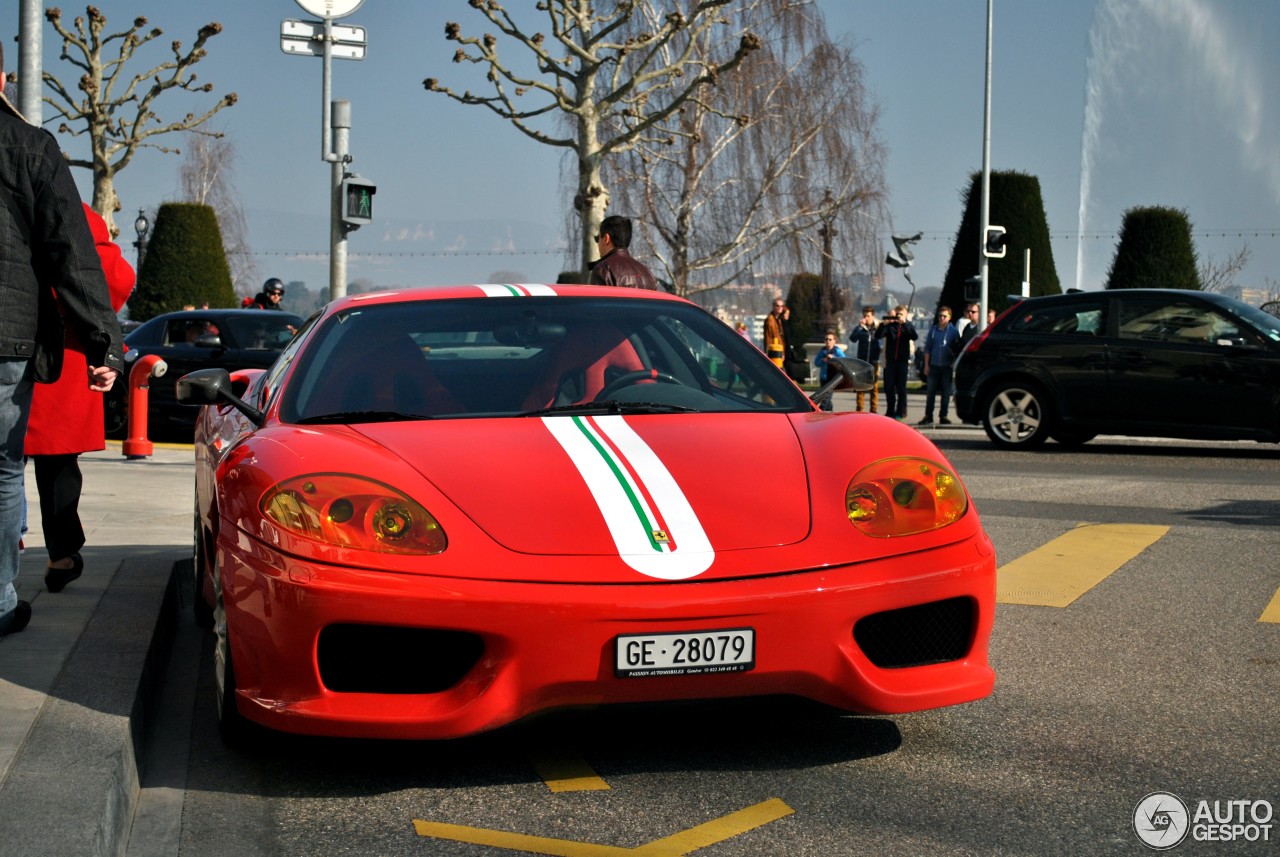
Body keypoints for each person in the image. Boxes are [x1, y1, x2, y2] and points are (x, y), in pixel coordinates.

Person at [0, 51, 124, 637]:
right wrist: (105, 342)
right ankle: (14, 588)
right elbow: (85, 263)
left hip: (29, 342)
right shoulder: (32, 150)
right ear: (3, 78)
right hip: (24, 343)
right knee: (11, 471)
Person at [24, 204, 134, 593]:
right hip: (63, 354)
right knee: (58, 464)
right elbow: (114, 278)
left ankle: (11, 541)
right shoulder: (74, 210)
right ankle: (61, 555)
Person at [588, 215, 658, 290]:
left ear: (606, 239)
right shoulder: (648, 274)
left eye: (597, 239)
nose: (597, 243)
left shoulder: (603, 270)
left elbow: (597, 301)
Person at [918, 305, 961, 426]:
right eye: (940, 316)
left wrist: (953, 363)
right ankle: (928, 415)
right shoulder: (933, 330)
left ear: (949, 317)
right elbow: (928, 349)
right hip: (934, 365)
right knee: (930, 392)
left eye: (944, 316)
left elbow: (957, 348)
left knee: (946, 393)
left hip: (947, 366)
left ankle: (943, 415)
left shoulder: (953, 331)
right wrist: (926, 365)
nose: (942, 318)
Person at [876, 305, 917, 421]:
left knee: (901, 388)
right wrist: (883, 325)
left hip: (902, 361)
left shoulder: (907, 327)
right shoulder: (890, 327)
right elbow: (878, 335)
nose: (899, 317)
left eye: (901, 314)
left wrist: (905, 324)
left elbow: (914, 336)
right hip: (891, 361)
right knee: (889, 388)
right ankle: (890, 411)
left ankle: (901, 411)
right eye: (897, 314)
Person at [848, 306, 882, 413]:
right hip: (862, 361)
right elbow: (852, 339)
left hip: (874, 360)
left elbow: (881, 339)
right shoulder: (861, 329)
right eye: (864, 316)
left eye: (868, 316)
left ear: (873, 316)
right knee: (860, 386)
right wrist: (859, 327)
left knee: (874, 386)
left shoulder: (877, 329)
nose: (866, 318)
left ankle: (874, 408)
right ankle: (860, 408)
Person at [811, 331, 846, 411]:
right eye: (826, 339)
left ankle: (820, 412)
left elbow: (844, 360)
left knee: (826, 398)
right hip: (823, 378)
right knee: (826, 398)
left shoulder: (837, 351)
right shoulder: (822, 351)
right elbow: (816, 363)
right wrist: (823, 360)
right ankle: (830, 411)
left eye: (830, 339)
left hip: (832, 378)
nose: (828, 341)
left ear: (834, 341)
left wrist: (833, 358)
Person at [763, 298, 789, 369]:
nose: (780, 308)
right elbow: (767, 337)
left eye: (781, 306)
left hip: (779, 350)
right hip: (774, 351)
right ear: (773, 306)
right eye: (777, 306)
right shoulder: (770, 320)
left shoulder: (779, 320)